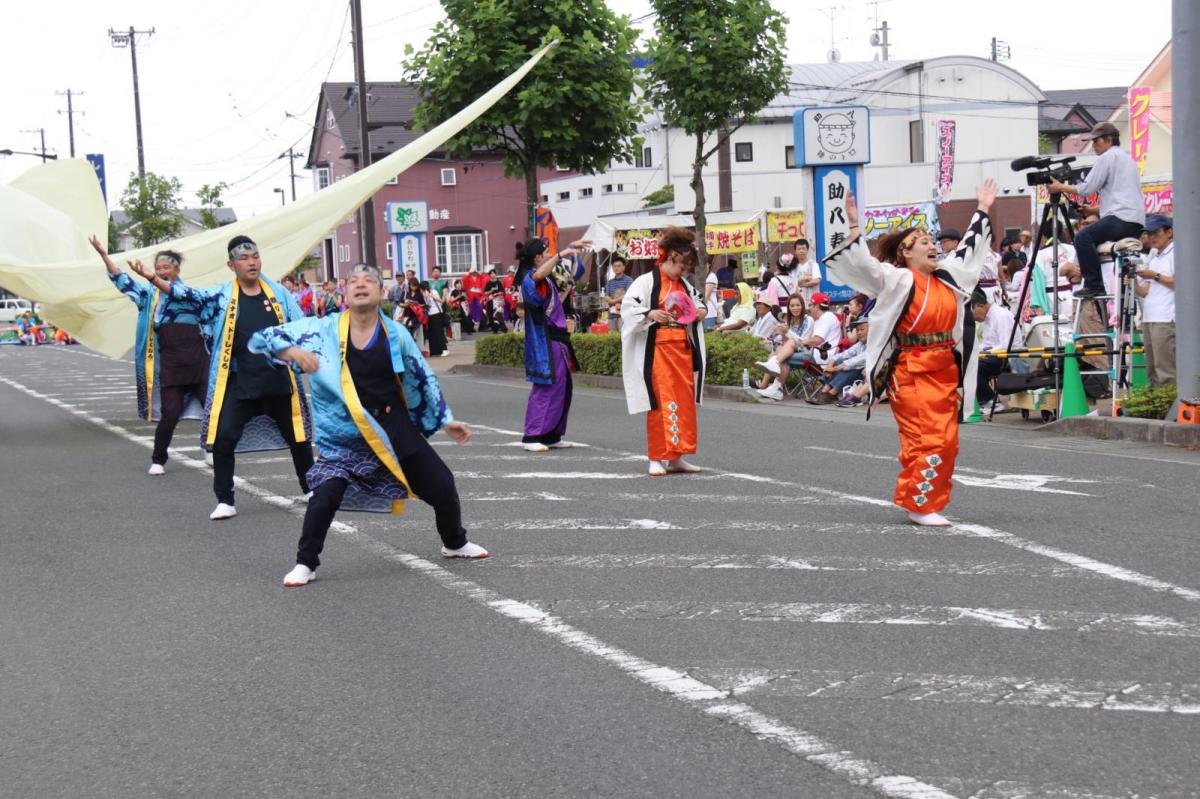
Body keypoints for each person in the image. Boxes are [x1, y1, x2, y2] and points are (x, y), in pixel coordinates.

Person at [248, 264, 488, 587]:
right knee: (324, 496)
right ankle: (306, 563)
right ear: (344, 293)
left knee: (443, 483)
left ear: (381, 291)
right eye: (353, 282)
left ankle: (454, 542)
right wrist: (291, 351)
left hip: (391, 425)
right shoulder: (322, 330)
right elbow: (262, 338)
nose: (361, 286)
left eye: (369, 281)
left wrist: (446, 420)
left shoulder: (396, 333)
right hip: (344, 433)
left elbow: (422, 376)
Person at [824, 179, 997, 526]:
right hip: (911, 370)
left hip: (944, 369)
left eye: (933, 242)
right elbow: (865, 267)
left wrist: (983, 208)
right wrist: (855, 224)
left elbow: (970, 250)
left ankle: (921, 499)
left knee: (947, 440)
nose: (933, 247)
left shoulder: (948, 277)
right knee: (926, 439)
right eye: (924, 243)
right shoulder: (895, 279)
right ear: (906, 253)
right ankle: (919, 502)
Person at [171, 235, 315, 521]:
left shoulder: (278, 294)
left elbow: (301, 325)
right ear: (231, 265)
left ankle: (310, 488)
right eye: (244, 258)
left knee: (298, 437)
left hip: (277, 380)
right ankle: (225, 500)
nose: (252, 263)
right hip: (239, 382)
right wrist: (156, 279)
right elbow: (189, 297)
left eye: (255, 257)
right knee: (224, 439)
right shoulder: (223, 296)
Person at [91, 236, 210, 476]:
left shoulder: (190, 294)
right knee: (170, 414)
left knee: (212, 409)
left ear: (177, 270)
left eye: (166, 268)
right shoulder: (148, 296)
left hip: (199, 363)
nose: (161, 272)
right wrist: (104, 255)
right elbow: (122, 280)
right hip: (171, 365)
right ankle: (158, 459)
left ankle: (212, 449)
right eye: (158, 269)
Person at [620, 227, 708, 477]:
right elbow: (629, 306)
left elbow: (699, 303)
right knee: (659, 403)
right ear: (670, 258)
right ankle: (657, 456)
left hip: (682, 349)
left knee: (683, 403)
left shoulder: (684, 285)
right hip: (658, 349)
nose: (683, 272)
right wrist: (650, 313)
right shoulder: (647, 281)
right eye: (681, 266)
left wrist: (700, 312)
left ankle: (678, 456)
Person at [1048, 121, 1145, 299]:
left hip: (1120, 218)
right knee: (1117, 258)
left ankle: (1094, 284)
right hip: (1134, 221)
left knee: (1082, 237)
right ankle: (1122, 295)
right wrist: (1092, 210)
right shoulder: (1127, 159)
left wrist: (1059, 186)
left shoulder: (1107, 157)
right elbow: (1121, 198)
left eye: (1096, 141)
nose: (1093, 145)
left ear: (1108, 140)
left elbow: (1086, 188)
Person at [517, 237, 589, 452]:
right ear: (538, 257)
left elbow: (570, 278)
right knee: (545, 387)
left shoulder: (549, 279)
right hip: (544, 339)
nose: (551, 254)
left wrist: (572, 251)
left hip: (558, 339)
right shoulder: (530, 278)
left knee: (563, 388)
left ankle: (551, 434)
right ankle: (532, 436)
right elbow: (538, 275)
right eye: (547, 252)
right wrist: (562, 254)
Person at [754, 291, 841, 401]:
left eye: (811, 305)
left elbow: (816, 341)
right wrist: (784, 334)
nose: (810, 308)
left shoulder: (823, 318)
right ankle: (773, 384)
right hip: (815, 352)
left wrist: (789, 335)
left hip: (819, 355)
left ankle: (775, 383)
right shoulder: (824, 318)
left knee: (785, 352)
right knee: (782, 349)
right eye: (792, 305)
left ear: (817, 306)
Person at [1135, 214, 1176, 385]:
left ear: (1169, 232)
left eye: (1155, 233)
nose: (1151, 237)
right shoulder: (1155, 256)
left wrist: (1155, 275)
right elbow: (1145, 291)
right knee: (1152, 369)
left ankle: (1170, 408)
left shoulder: (1176, 253)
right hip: (1150, 317)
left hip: (1166, 318)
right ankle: (1156, 408)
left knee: (1165, 369)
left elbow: (1181, 283)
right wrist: (1133, 282)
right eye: (1148, 234)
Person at [971, 288, 1019, 411]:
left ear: (980, 306)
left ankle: (991, 401)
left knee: (974, 366)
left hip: (1010, 356)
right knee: (969, 361)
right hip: (996, 355)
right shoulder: (988, 318)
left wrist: (984, 352)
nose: (974, 318)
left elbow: (1007, 344)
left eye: (973, 313)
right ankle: (985, 399)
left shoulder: (1000, 315)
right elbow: (987, 343)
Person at [810, 318, 869, 406]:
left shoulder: (875, 345)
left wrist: (835, 368)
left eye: (862, 329)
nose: (859, 332)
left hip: (867, 377)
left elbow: (859, 360)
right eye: (857, 330)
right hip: (857, 375)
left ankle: (832, 393)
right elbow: (844, 354)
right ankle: (825, 391)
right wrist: (830, 365)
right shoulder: (860, 344)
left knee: (853, 366)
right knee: (840, 360)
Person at [604, 257, 634, 332]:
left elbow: (627, 296)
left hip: (624, 315)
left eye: (619, 266)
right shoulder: (609, 282)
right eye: (614, 266)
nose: (616, 268)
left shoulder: (629, 280)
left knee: (623, 337)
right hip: (611, 315)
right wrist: (610, 300)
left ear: (624, 267)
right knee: (613, 338)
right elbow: (607, 296)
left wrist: (612, 301)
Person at [421, 280, 449, 357]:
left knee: (439, 332)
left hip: (436, 313)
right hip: (429, 315)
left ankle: (444, 349)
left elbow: (441, 301)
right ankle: (434, 351)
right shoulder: (422, 294)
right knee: (431, 333)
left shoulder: (433, 292)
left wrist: (431, 296)